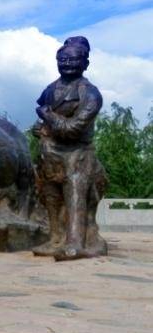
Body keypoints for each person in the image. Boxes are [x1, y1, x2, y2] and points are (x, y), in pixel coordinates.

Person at [33, 36, 107, 259]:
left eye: (73, 60)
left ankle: (76, 243)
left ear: (85, 63)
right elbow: (43, 119)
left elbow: (73, 129)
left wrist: (47, 117)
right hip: (50, 155)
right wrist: (42, 128)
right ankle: (56, 237)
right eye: (62, 59)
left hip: (77, 154)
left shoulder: (91, 94)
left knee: (75, 195)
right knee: (50, 197)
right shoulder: (50, 89)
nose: (67, 64)